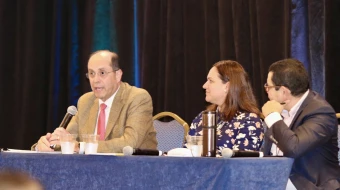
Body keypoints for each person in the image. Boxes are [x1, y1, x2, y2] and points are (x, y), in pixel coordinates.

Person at [33, 50, 157, 153]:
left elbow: (129, 144)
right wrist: (45, 145)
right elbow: (67, 140)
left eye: (102, 73)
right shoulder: (86, 101)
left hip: (134, 172)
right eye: (91, 73)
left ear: (118, 75)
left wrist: (80, 147)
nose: (95, 80)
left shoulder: (137, 98)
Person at [261, 58, 340, 189]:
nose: (266, 91)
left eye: (268, 87)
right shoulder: (281, 110)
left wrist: (273, 117)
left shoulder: (320, 112)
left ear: (284, 91)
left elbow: (293, 148)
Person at [188, 60, 264, 155]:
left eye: (210, 81)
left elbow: (241, 163)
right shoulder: (202, 118)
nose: (204, 86)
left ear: (227, 86)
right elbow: (185, 154)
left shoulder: (249, 121)